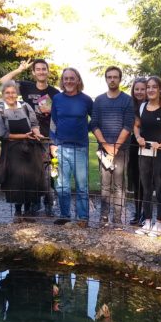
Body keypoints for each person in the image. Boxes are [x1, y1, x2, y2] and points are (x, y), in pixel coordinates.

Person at [0, 59, 60, 216]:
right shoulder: (26, 86)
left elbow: (60, 115)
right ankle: (34, 203)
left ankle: (48, 204)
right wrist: (19, 69)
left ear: (48, 71)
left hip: (46, 138)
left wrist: (50, 111)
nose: (41, 71)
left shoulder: (54, 92)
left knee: (47, 174)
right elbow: (3, 81)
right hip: (26, 137)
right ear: (33, 72)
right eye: (37, 69)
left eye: (43, 69)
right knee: (31, 173)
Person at [0, 80, 45, 219]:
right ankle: (17, 211)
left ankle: (28, 211)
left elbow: (34, 123)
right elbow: (1, 133)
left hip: (30, 150)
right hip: (12, 151)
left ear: (17, 93)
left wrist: (37, 133)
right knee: (15, 181)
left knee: (30, 180)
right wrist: (22, 136)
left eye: (13, 92)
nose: (11, 95)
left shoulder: (26, 106)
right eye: (7, 93)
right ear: (3, 94)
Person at [133, 76, 161, 237]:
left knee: (159, 188)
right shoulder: (142, 107)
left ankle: (159, 223)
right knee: (146, 188)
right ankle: (147, 222)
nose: (150, 90)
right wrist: (138, 138)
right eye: (148, 87)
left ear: (160, 90)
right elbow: (136, 126)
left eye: (154, 87)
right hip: (144, 152)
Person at [91, 66, 135, 226]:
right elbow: (94, 124)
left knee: (119, 186)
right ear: (106, 79)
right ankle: (104, 218)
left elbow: (128, 125)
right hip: (103, 150)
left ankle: (117, 219)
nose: (112, 79)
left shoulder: (127, 100)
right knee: (104, 185)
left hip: (121, 150)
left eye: (115, 77)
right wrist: (105, 145)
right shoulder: (99, 100)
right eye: (109, 77)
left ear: (120, 79)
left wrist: (115, 148)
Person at [50, 67, 93, 226]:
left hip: (80, 148)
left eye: (72, 78)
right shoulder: (57, 99)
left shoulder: (86, 100)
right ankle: (65, 215)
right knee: (62, 185)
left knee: (82, 186)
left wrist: (84, 130)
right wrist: (52, 143)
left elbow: (94, 120)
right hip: (60, 147)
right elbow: (53, 123)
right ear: (62, 81)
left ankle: (82, 217)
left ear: (78, 80)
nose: (68, 81)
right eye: (66, 78)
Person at [127, 78, 147, 225]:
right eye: (137, 89)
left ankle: (146, 213)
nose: (139, 92)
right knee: (136, 179)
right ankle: (137, 210)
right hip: (133, 146)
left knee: (145, 181)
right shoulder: (130, 105)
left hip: (147, 145)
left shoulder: (152, 106)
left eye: (142, 89)